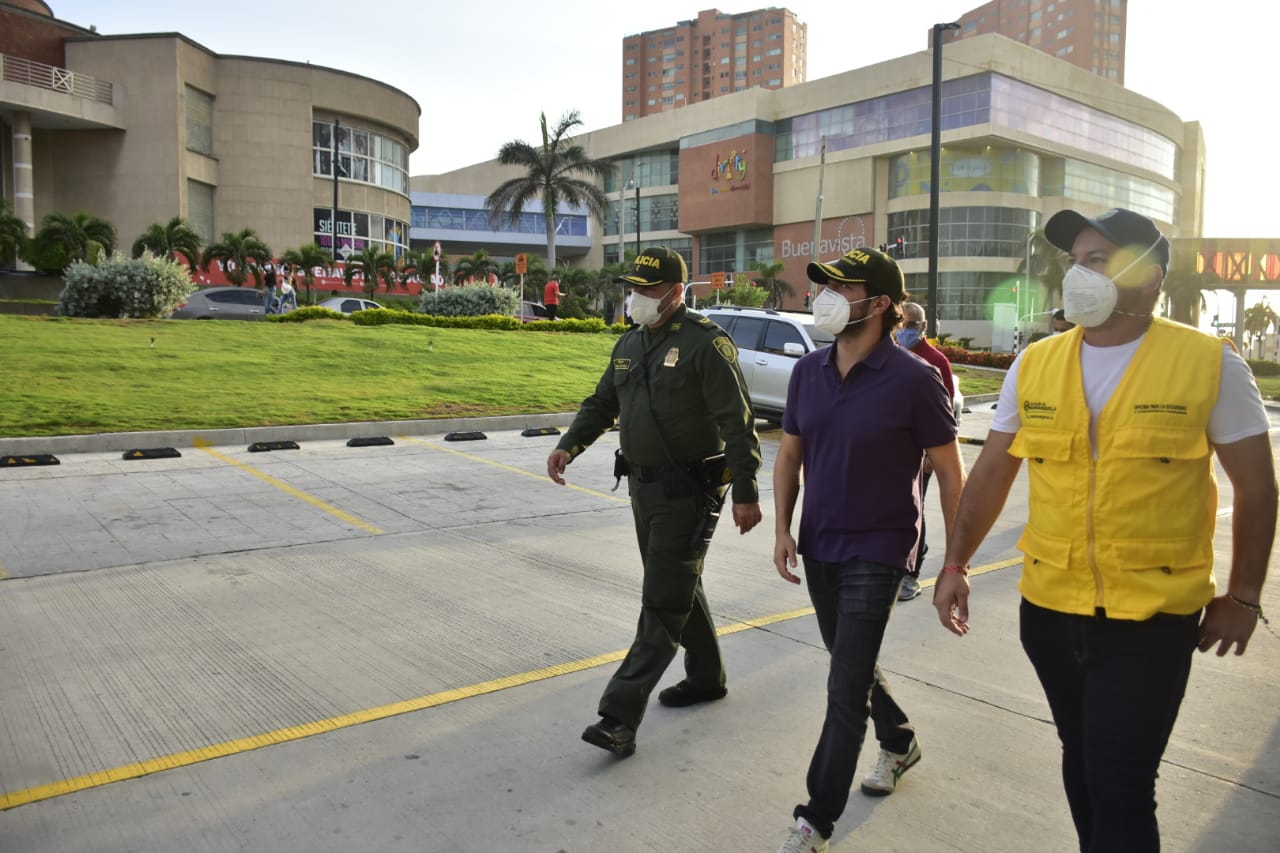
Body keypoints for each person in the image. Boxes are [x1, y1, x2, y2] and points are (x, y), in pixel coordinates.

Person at [934, 208, 1276, 852]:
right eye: (1075, 261)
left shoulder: (1208, 364)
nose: (1078, 274)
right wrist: (955, 564)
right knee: (1083, 757)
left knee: (1120, 779)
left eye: (1097, 260)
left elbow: (1258, 487)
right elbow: (990, 476)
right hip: (1051, 610)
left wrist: (1245, 596)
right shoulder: (1036, 363)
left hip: (1151, 619)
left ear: (1147, 275)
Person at [773, 247, 965, 853]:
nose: (825, 296)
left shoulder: (915, 379)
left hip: (881, 548)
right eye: (823, 285)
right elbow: (789, 453)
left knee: (841, 687)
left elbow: (951, 474)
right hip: (820, 541)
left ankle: (815, 820)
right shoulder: (808, 372)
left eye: (842, 287)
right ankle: (900, 740)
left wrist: (954, 562)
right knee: (848, 666)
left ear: (880, 304)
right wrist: (783, 526)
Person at [546, 247, 763, 758]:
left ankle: (619, 716)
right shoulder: (630, 343)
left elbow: (738, 422)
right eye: (634, 288)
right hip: (643, 490)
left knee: (663, 602)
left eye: (647, 289)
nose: (637, 297)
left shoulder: (706, 345)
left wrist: (748, 493)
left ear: (676, 293)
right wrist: (569, 445)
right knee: (679, 584)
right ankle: (707, 677)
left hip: (688, 492)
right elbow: (602, 402)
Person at [894, 300, 956, 602]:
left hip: (922, 453)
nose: (906, 330)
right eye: (902, 324)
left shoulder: (935, 361)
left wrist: (933, 454)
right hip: (893, 452)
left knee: (913, 509)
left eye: (912, 325)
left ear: (925, 327)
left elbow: (946, 415)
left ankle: (911, 571)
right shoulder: (888, 354)